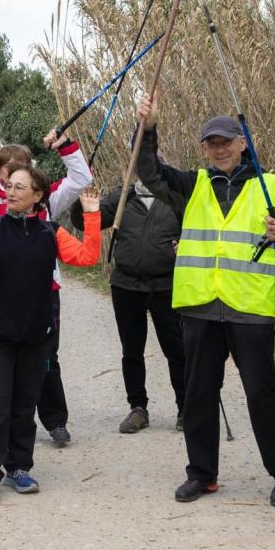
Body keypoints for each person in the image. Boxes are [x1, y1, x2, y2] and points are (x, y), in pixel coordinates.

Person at [134, 95, 275, 506]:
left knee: (261, 394)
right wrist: (149, 128)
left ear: (243, 142)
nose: (220, 148)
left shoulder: (273, 187)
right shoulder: (192, 185)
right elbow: (148, 171)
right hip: (200, 307)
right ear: (204, 148)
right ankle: (202, 474)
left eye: (227, 140)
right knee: (198, 393)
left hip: (250, 308)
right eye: (212, 142)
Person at [0, 172, 103, 502]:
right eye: (9, 186)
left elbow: (86, 257)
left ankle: (19, 467)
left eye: (20, 187)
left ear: (38, 196)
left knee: (24, 404)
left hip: (36, 333)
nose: (11, 191)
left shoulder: (51, 232)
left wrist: (91, 216)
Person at [0, 130, 91, 446]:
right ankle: (3, 422)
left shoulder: (45, 198)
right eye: (7, 168)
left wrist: (65, 147)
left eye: (21, 166)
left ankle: (54, 420)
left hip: (43, 291)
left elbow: (79, 179)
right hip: (0, 295)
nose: (13, 174)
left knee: (46, 357)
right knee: (2, 361)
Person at [91, 180, 186, 434]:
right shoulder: (122, 196)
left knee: (176, 349)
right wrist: (86, 206)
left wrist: (184, 243)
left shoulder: (175, 195)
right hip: (126, 285)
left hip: (167, 285)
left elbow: (196, 230)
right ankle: (137, 408)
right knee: (131, 350)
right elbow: (88, 222)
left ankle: (186, 408)